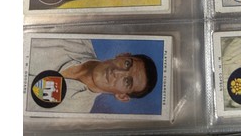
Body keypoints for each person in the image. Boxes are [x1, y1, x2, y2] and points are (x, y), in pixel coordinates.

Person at [27, 38, 158, 113]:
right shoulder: (75, 38)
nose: (117, 72)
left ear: (122, 96)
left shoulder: (76, 113)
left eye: (127, 81)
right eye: (127, 64)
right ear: (122, 55)